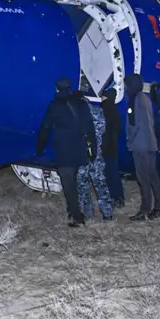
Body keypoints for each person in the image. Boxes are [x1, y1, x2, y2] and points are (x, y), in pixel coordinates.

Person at [37, 76, 97, 226]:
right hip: (80, 150)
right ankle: (73, 210)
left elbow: (45, 128)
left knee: (68, 184)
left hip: (64, 151)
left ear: (57, 89)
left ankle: (77, 218)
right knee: (73, 181)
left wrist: (39, 148)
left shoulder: (55, 106)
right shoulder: (81, 105)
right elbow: (90, 128)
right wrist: (92, 149)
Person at [123, 73, 160, 220]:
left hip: (139, 145)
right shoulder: (145, 98)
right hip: (149, 143)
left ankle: (145, 209)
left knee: (143, 178)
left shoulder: (134, 99)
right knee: (153, 176)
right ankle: (159, 207)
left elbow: (133, 124)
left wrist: (130, 141)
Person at [76, 83, 115, 221]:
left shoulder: (77, 115)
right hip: (96, 155)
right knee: (101, 185)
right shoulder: (98, 111)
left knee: (83, 185)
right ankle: (107, 213)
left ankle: (88, 213)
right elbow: (103, 131)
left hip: (82, 156)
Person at [100, 87, 125, 208]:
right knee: (113, 173)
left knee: (110, 174)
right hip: (113, 146)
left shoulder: (105, 110)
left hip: (106, 146)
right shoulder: (115, 110)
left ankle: (115, 198)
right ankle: (119, 197)